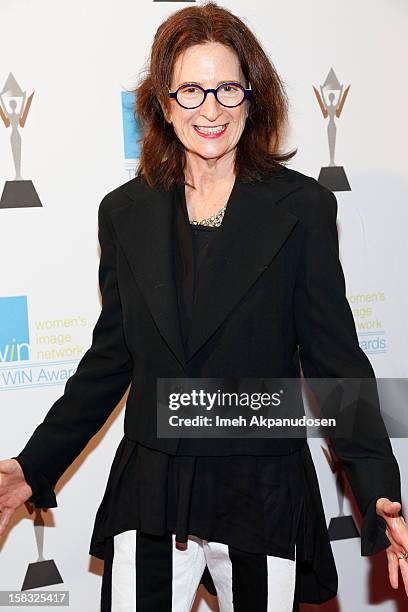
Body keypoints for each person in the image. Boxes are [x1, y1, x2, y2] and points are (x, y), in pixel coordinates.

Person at [1, 2, 407, 610]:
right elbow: (112, 357)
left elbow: (334, 361)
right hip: (153, 485)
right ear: (163, 103)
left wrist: (377, 487)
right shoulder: (124, 212)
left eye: (227, 89)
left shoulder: (303, 209)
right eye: (190, 90)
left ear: (253, 97)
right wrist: (34, 466)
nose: (210, 109)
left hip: (259, 486)